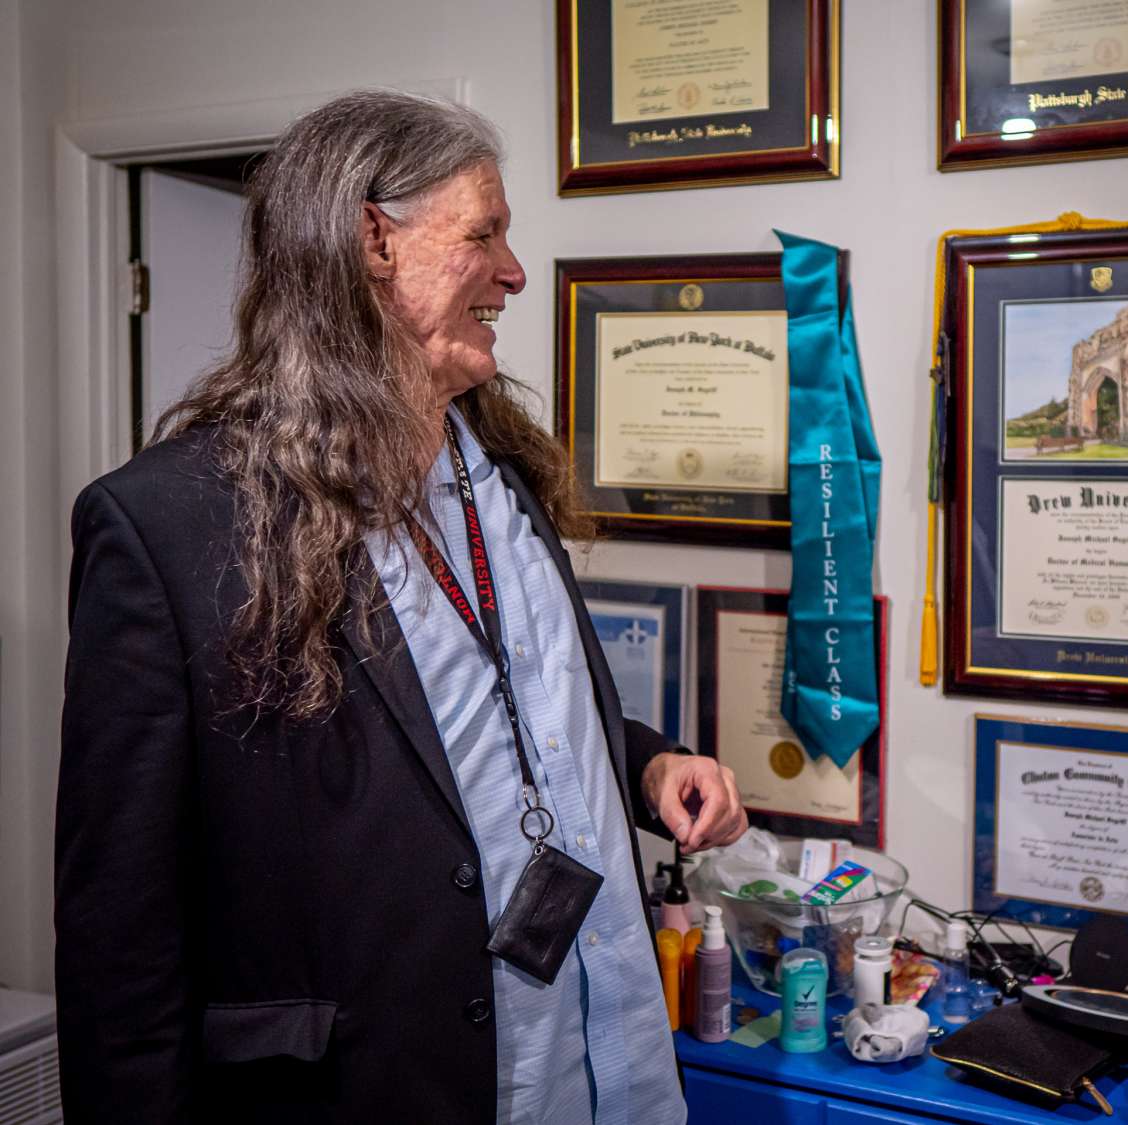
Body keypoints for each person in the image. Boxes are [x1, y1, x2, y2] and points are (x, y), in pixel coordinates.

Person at [55, 90, 747, 1124]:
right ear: (374, 239)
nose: (515, 274)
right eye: (485, 233)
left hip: (609, 1067)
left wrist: (644, 762)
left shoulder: (500, 470)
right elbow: (121, 944)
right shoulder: (171, 526)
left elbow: (497, 712)